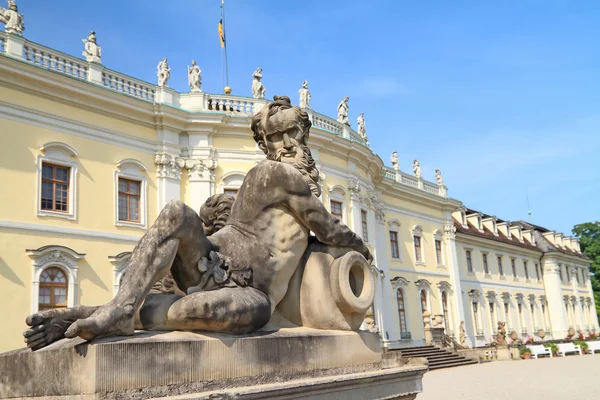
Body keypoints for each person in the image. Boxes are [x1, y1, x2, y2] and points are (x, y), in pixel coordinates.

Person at [23, 96, 371, 350]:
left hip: (244, 290)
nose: (287, 143)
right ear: (265, 144)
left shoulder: (275, 178)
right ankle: (121, 309)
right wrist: (362, 246)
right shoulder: (279, 173)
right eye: (276, 137)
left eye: (291, 132)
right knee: (176, 212)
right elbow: (329, 229)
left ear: (303, 132)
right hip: (227, 268)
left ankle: (95, 313)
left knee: (211, 308)